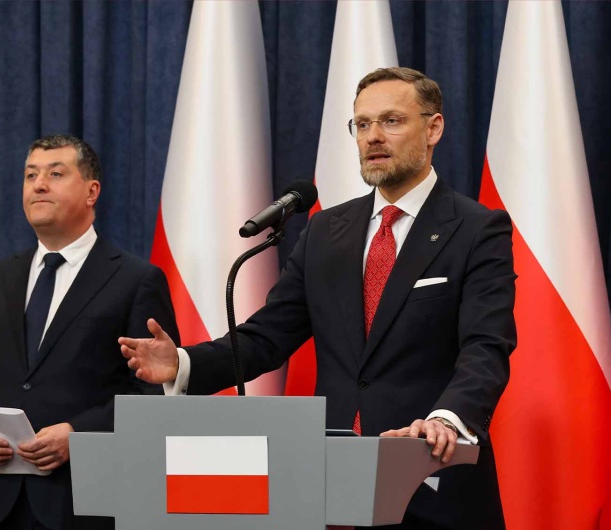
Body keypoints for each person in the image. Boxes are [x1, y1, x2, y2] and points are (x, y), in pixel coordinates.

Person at [119, 68, 516, 530]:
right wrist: (183, 364)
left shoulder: (476, 229)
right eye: (362, 124)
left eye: (391, 121)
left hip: (433, 476)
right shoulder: (327, 231)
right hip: (331, 483)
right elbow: (267, 337)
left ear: (433, 128)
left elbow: (486, 346)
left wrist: (446, 420)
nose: (373, 136)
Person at [0, 135, 180, 530]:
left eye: (55, 174)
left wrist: (79, 435)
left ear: (92, 191)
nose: (38, 185)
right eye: (30, 175)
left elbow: (155, 393)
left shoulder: (136, 280)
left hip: (87, 505)